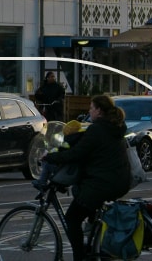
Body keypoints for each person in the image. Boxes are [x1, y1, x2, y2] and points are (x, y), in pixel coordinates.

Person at [41, 94, 131, 261]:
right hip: (121, 180)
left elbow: (77, 153)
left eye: (91, 108)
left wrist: (50, 157)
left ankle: (79, 257)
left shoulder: (97, 129)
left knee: (72, 218)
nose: (89, 111)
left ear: (99, 110)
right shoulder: (115, 127)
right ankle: (94, 245)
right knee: (86, 203)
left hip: (102, 183)